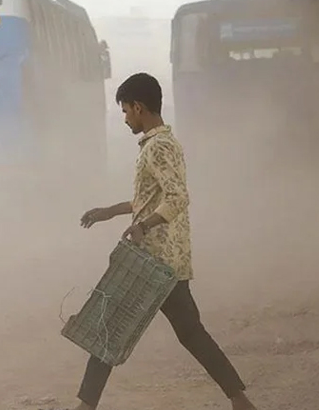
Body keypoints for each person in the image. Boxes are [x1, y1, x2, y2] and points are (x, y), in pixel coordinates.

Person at [73, 73, 257, 410]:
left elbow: (176, 198)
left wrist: (143, 225)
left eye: (126, 111)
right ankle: (239, 399)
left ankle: (85, 408)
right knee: (191, 334)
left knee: (109, 330)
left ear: (139, 107)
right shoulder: (163, 143)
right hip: (167, 263)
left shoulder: (158, 148)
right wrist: (110, 212)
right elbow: (150, 198)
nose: (126, 118)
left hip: (152, 262)